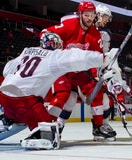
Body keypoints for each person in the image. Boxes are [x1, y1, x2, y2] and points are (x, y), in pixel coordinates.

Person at [0, 32, 117, 149]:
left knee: (17, 114)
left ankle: (4, 121)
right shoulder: (54, 56)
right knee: (51, 134)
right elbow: (77, 56)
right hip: (25, 101)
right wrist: (103, 59)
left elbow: (6, 70)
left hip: (3, 95)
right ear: (54, 44)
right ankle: (38, 136)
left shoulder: (27, 51)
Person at [40, 1, 116, 140]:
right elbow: (45, 33)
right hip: (62, 69)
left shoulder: (96, 35)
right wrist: (50, 45)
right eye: (86, 15)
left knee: (97, 90)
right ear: (80, 14)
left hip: (81, 72)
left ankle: (98, 127)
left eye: (91, 15)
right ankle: (49, 128)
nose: (89, 18)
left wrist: (96, 75)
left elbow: (96, 59)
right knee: (66, 97)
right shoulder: (69, 24)